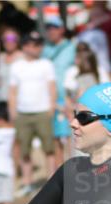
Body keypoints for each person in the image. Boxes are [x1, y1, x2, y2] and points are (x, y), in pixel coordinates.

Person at [9, 31, 57, 197]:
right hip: (23, 113)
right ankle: (27, 183)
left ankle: (51, 183)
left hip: (43, 111)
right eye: (33, 44)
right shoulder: (16, 66)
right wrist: (13, 113)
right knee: (24, 150)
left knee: (49, 148)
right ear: (25, 46)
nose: (37, 48)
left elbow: (52, 87)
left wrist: (51, 108)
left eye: (39, 44)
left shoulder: (46, 64)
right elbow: (12, 92)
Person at [42, 16, 76, 164]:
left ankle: (73, 173)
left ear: (62, 29)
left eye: (54, 28)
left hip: (67, 99)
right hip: (49, 99)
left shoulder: (71, 47)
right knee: (54, 138)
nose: (51, 31)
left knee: (70, 137)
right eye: (48, 28)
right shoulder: (44, 49)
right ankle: (58, 176)